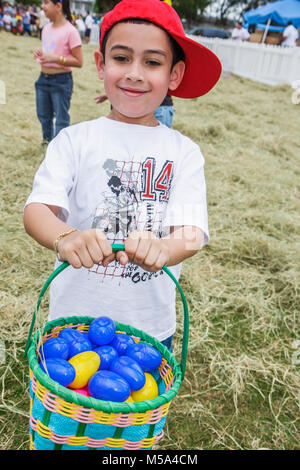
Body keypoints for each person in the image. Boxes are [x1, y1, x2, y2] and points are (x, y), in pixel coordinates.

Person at [24, 0, 221, 349]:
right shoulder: (73, 139)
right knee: (65, 402)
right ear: (101, 65)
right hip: (72, 325)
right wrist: (65, 237)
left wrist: (164, 248)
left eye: (153, 62)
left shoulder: (184, 152)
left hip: (147, 329)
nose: (134, 73)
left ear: (174, 74)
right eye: (121, 58)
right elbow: (37, 211)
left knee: (137, 402)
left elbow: (193, 234)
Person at [33, 0, 83, 144]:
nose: (42, 6)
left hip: (61, 80)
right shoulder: (46, 28)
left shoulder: (71, 31)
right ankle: (47, 142)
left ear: (58, 6)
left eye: (46, 2)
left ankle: (59, 148)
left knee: (61, 119)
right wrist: (40, 54)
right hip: (43, 78)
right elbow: (49, 51)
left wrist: (57, 59)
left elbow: (79, 62)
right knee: (43, 115)